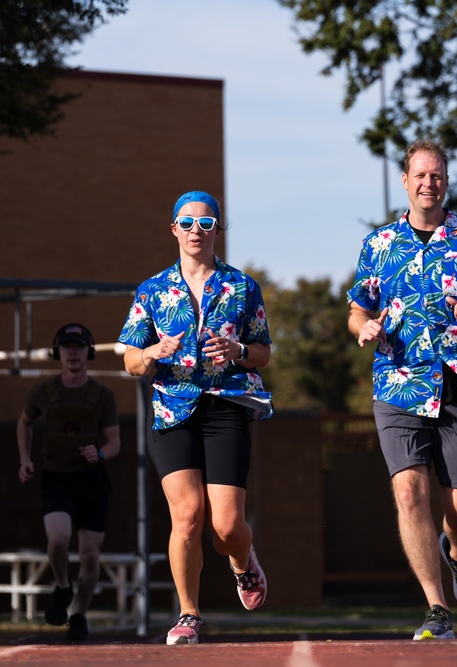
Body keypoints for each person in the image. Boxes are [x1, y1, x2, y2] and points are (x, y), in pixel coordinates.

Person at [347, 138, 457, 640]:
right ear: (406, 181)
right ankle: (436, 608)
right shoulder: (378, 245)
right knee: (409, 491)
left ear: (446, 182)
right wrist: (362, 327)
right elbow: (358, 307)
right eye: (419, 175)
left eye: (437, 175)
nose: (428, 183)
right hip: (398, 382)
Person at [118, 190, 274, 646]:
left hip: (225, 405)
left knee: (226, 527)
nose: (195, 232)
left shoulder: (242, 286)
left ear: (218, 230)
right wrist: (151, 352)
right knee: (187, 516)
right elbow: (129, 359)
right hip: (172, 409)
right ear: (173, 230)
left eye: (205, 224)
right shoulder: (152, 290)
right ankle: (188, 614)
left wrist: (239, 351)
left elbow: (263, 351)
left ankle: (243, 561)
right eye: (186, 223)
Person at [17, 322, 120, 641]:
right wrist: (25, 459)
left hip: (92, 482)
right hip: (56, 478)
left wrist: (99, 454)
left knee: (90, 555)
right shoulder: (42, 392)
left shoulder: (103, 395)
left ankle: (78, 614)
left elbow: (115, 443)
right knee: (59, 540)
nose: (72, 352)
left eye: (78, 347)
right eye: (66, 346)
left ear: (88, 352)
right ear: (57, 352)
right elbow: (23, 423)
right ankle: (62, 585)